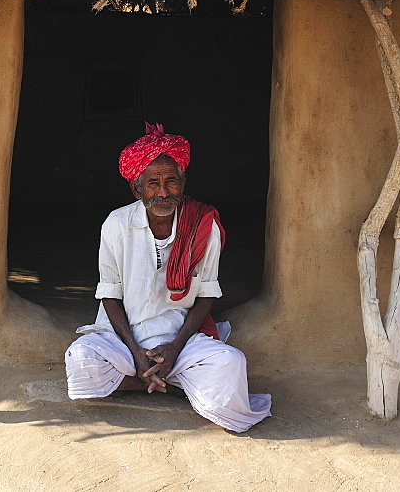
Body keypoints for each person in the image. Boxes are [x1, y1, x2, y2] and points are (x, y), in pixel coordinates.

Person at [65, 123, 271, 432]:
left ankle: (153, 379)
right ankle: (169, 384)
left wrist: (175, 348)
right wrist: (135, 353)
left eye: (171, 181)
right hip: (123, 339)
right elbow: (109, 292)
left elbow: (207, 293)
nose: (163, 192)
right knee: (80, 358)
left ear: (183, 183)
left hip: (180, 338)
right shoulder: (116, 225)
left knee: (231, 363)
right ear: (137, 189)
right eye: (153, 183)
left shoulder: (203, 225)